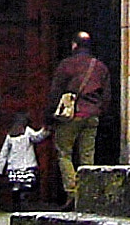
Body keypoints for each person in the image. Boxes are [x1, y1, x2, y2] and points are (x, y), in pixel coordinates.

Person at [46, 30, 112, 204]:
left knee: (64, 153)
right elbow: (106, 96)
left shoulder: (66, 65)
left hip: (71, 116)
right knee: (87, 156)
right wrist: (98, 112)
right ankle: (87, 194)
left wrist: (50, 116)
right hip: (92, 116)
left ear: (74, 45)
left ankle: (72, 192)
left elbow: (55, 92)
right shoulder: (99, 66)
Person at [0, 114, 48, 209]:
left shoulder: (16, 134)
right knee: (24, 185)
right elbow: (37, 137)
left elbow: (4, 153)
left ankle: (19, 204)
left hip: (18, 165)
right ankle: (21, 204)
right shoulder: (22, 133)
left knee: (19, 186)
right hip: (23, 164)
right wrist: (45, 130)